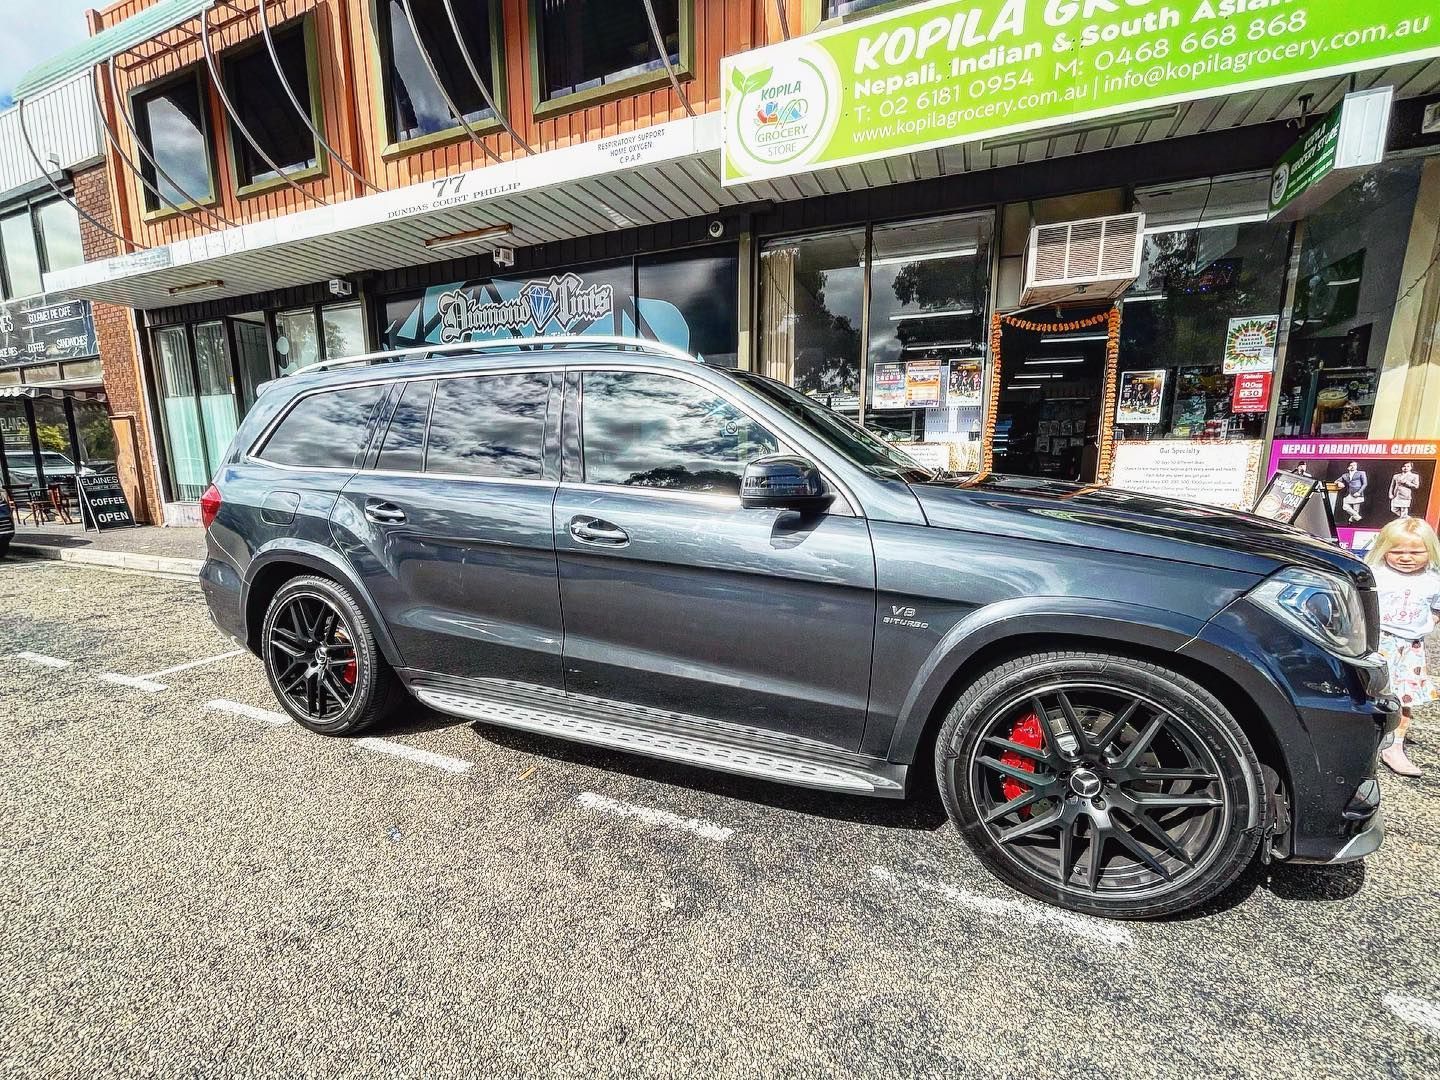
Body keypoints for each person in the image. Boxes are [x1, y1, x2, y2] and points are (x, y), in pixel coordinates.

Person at [1367, 517, 1440, 777]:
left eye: (1415, 551)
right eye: (1396, 551)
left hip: (1411, 648)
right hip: (1380, 641)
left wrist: (1428, 623)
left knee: (1404, 700)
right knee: (1372, 693)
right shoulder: (1376, 574)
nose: (1405, 557)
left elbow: (1436, 606)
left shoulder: (1433, 579)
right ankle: (1367, 740)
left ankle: (1395, 746)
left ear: (1430, 550)